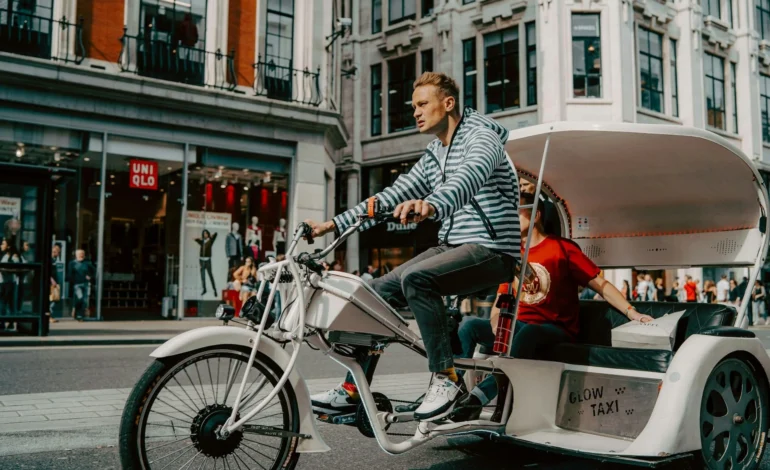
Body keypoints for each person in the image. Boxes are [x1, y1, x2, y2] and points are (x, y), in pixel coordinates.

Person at [305, 71, 520, 422]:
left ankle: (446, 380)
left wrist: (432, 204)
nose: (415, 112)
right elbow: (392, 195)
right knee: (371, 293)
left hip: (493, 250)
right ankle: (351, 390)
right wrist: (332, 224)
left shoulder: (483, 138)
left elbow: (469, 178)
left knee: (418, 278)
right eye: (413, 106)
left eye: (422, 104)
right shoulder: (436, 153)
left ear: (448, 103)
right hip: (451, 248)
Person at [450, 192, 653, 420]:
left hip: (555, 329)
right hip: (520, 326)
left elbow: (600, 284)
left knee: (529, 333)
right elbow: (502, 297)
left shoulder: (562, 249)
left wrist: (631, 311)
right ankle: (452, 390)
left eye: (515, 213)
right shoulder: (512, 254)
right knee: (469, 326)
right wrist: (496, 318)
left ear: (535, 215)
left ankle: (477, 397)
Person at [67, 249, 94, 320]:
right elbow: (70, 274)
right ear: (76, 255)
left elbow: (94, 271)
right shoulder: (72, 263)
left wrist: (90, 276)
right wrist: (72, 282)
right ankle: (77, 312)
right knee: (80, 298)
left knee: (85, 301)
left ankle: (80, 315)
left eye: (82, 254)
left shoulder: (87, 263)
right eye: (79, 254)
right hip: (77, 284)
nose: (81, 255)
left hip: (86, 283)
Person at [195, 229, 218, 297]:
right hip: (201, 260)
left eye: (206, 233)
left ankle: (214, 290)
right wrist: (200, 238)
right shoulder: (202, 242)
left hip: (207, 260)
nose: (205, 235)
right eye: (204, 234)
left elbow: (216, 234)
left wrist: (210, 237)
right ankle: (204, 289)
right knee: (203, 276)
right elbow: (195, 239)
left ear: (208, 234)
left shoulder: (210, 241)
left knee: (210, 275)